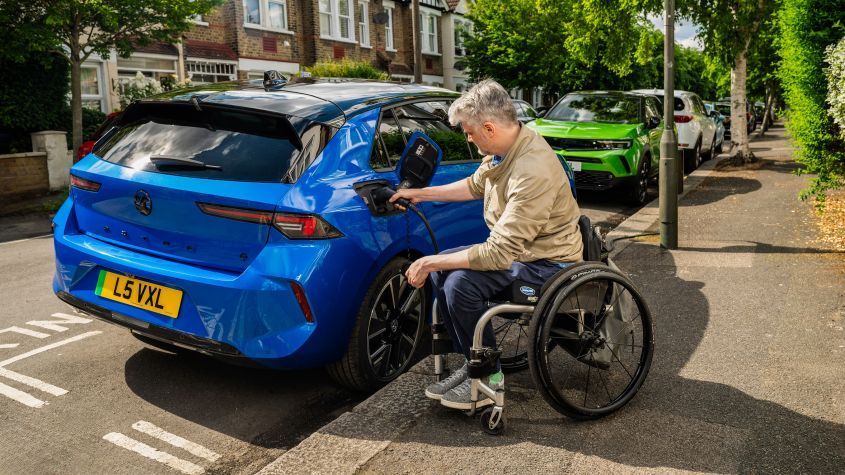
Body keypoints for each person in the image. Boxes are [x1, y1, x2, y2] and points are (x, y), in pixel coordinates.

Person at [389, 79, 583, 410]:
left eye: (468, 131)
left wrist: (430, 261)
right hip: (523, 256)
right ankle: (472, 363)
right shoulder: (503, 151)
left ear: (489, 128)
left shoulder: (531, 170)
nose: (467, 137)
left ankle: (489, 377)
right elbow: (473, 185)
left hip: (550, 266)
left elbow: (498, 253)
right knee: (443, 274)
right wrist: (419, 194)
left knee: (459, 283)